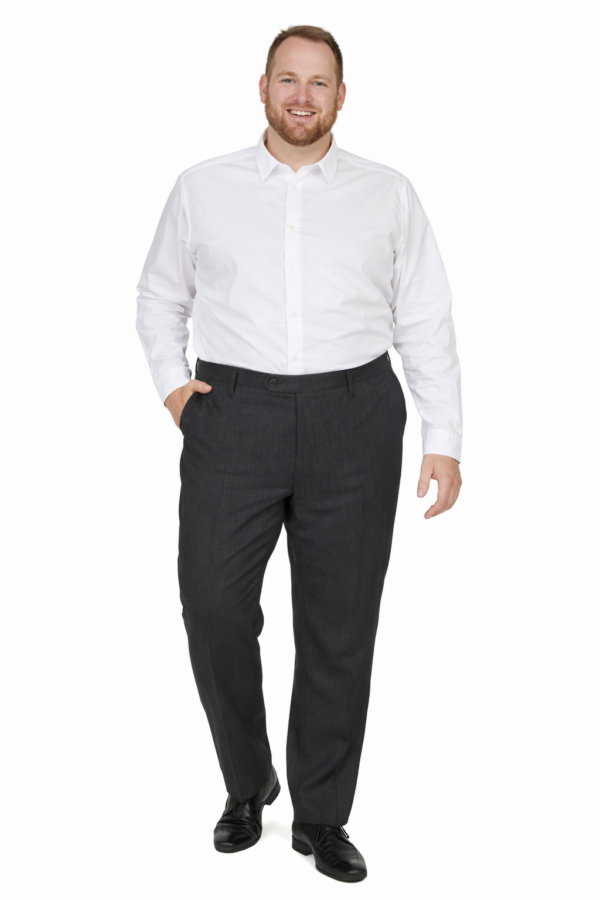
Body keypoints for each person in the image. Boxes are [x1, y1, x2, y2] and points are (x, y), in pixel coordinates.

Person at [135, 24, 463, 884]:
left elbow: (425, 315)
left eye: (320, 83)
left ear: (342, 96)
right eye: (289, 79)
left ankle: (321, 814)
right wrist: (177, 392)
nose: (303, 97)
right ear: (263, 88)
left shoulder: (388, 193)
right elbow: (160, 295)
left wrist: (445, 438)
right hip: (232, 413)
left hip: (354, 417)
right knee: (212, 607)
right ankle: (248, 785)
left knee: (339, 625)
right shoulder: (202, 187)